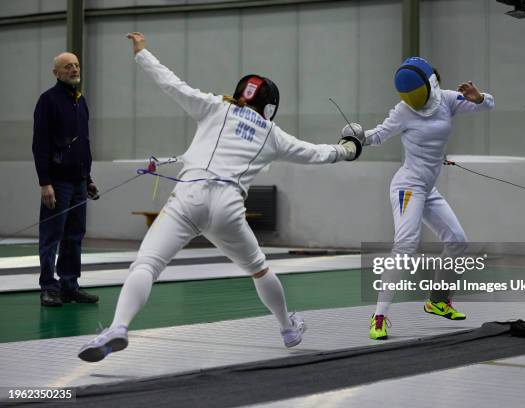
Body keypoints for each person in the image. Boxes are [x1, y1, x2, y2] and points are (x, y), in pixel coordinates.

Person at [78, 32, 363, 362]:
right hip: (227, 208)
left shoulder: (214, 106)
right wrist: (348, 149)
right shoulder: (273, 134)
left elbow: (172, 84)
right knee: (259, 269)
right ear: (269, 107)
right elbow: (316, 153)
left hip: (188, 197)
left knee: (147, 264)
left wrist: (142, 53)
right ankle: (288, 328)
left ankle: (118, 327)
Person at [341, 57, 494, 340]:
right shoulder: (403, 111)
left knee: (457, 241)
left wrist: (479, 96)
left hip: (428, 189)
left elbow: (488, 105)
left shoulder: (447, 100)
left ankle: (437, 300)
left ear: (430, 84)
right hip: (408, 186)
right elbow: (378, 135)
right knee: (406, 245)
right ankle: (379, 316)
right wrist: (357, 137)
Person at [32, 52, 100, 307]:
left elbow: (83, 143)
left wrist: (89, 178)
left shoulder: (80, 102)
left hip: (79, 182)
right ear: (56, 73)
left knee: (74, 235)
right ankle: (49, 287)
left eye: (76, 65)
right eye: (67, 66)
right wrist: (45, 182)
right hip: (57, 182)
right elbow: (40, 145)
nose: (74, 69)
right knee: (51, 235)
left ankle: (70, 285)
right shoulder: (48, 101)